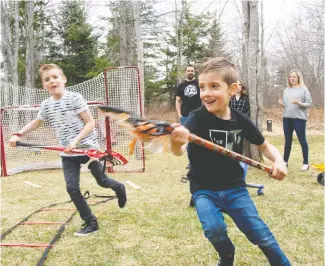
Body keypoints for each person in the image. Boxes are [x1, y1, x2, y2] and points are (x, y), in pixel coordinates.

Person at [170, 57, 290, 265]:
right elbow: (180, 150)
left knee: (261, 235)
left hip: (235, 188)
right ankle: (227, 255)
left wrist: (279, 161)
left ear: (232, 89)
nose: (206, 93)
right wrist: (176, 141)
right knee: (213, 229)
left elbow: (264, 145)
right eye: (202, 87)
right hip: (204, 189)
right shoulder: (197, 118)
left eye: (214, 86)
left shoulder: (240, 119)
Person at [8, 64, 127, 237]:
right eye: (47, 79)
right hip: (67, 152)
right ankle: (91, 221)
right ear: (44, 85)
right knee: (72, 188)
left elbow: (90, 123)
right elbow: (37, 122)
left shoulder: (74, 98)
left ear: (63, 79)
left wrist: (75, 142)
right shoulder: (47, 105)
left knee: (102, 181)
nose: (52, 81)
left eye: (55, 77)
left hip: (88, 149)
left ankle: (120, 188)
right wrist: (18, 134)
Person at [278, 69, 312, 171]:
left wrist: (299, 103)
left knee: (302, 141)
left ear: (298, 78)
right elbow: (287, 105)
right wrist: (282, 104)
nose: (292, 78)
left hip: (299, 119)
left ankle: (305, 163)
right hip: (287, 119)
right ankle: (285, 161)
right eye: (291, 77)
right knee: (287, 141)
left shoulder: (304, 90)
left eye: (294, 77)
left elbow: (309, 103)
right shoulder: (286, 90)